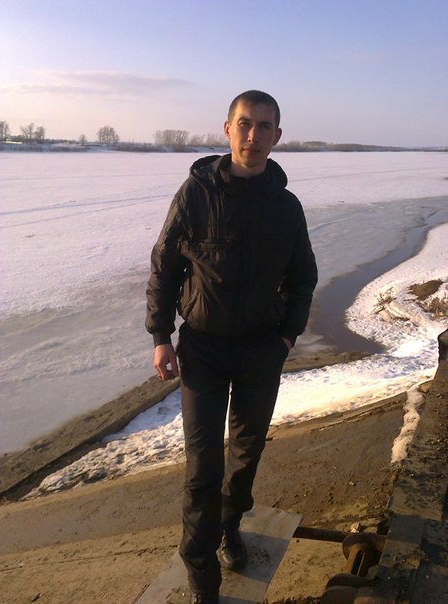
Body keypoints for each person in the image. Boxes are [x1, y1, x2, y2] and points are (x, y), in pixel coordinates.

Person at [146, 90, 317, 604]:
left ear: (277, 136)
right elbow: (164, 266)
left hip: (261, 351)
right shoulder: (195, 194)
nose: (253, 135)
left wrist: (286, 336)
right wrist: (161, 336)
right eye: (245, 124)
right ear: (227, 129)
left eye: (264, 126)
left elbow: (303, 277)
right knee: (203, 466)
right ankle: (202, 575)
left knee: (245, 456)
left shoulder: (285, 206)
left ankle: (229, 525)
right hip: (203, 349)